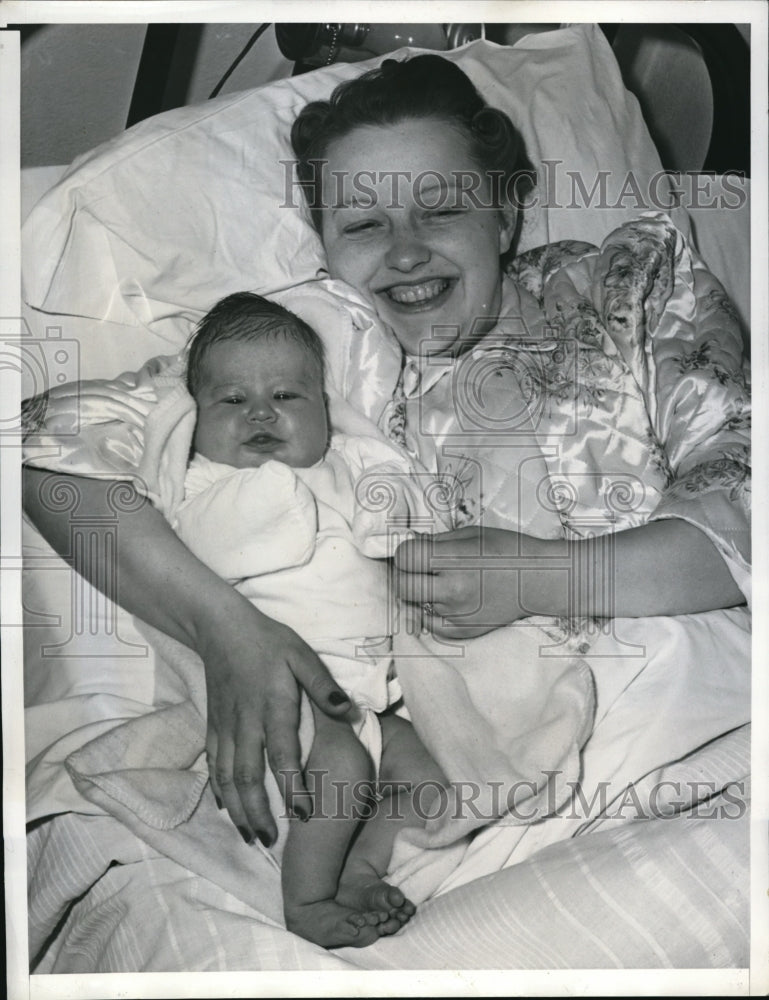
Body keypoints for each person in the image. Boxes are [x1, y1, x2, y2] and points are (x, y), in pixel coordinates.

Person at [23, 53, 749, 869]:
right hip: (474, 783)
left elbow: (745, 498)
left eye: (439, 211)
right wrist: (228, 631)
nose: (404, 253)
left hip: (700, 714)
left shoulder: (624, 287)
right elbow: (52, 442)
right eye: (363, 225)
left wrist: (549, 576)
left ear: (504, 218)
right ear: (325, 245)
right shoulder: (309, 358)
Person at [172, 290, 449, 947]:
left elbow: (405, 519)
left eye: (288, 397)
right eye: (232, 401)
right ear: (195, 419)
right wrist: (283, 479)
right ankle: (307, 899)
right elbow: (225, 542)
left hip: (372, 693)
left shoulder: (347, 464)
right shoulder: (202, 486)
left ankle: (360, 864)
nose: (261, 413)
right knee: (344, 772)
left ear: (326, 410)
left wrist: (393, 501)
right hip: (286, 687)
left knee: (425, 774)